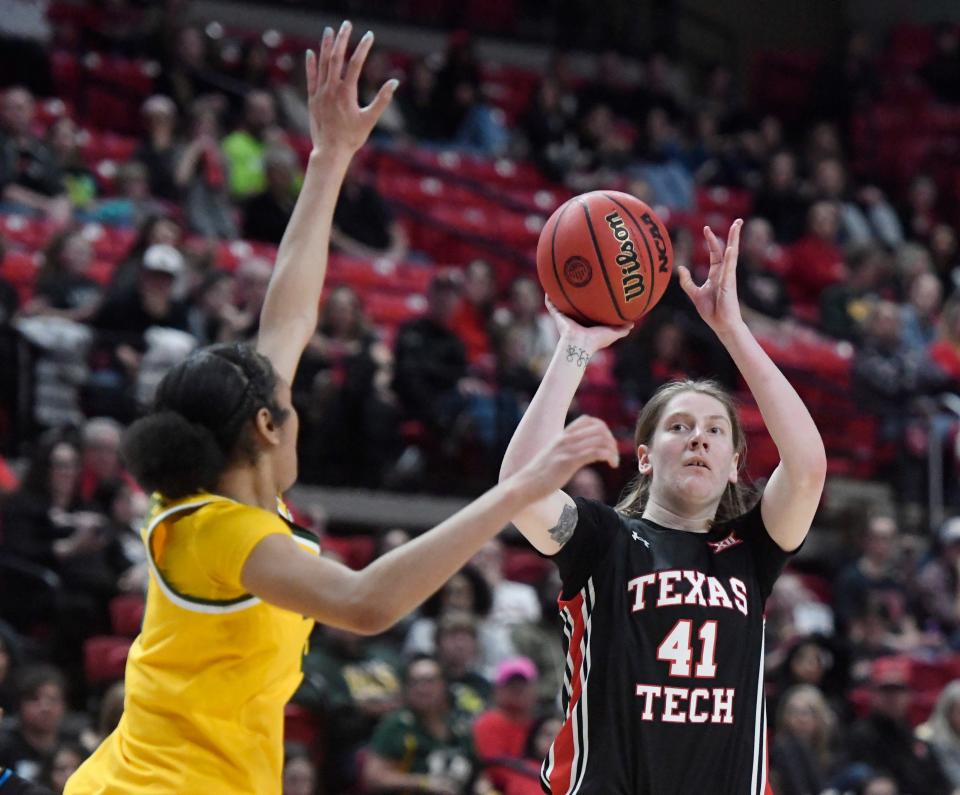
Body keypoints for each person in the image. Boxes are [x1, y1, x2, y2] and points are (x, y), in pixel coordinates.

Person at [64, 24, 618, 795]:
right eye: (287, 405)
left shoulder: (220, 486)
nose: (298, 411)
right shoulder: (226, 535)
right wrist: (517, 492)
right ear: (263, 425)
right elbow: (366, 603)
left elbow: (286, 317)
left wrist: (328, 160)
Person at [499, 218, 827, 793]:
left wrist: (732, 330)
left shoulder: (750, 550)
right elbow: (520, 485)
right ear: (645, 457)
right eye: (680, 427)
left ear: (732, 464)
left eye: (714, 431)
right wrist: (574, 347)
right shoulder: (607, 540)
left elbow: (808, 468)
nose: (698, 438)